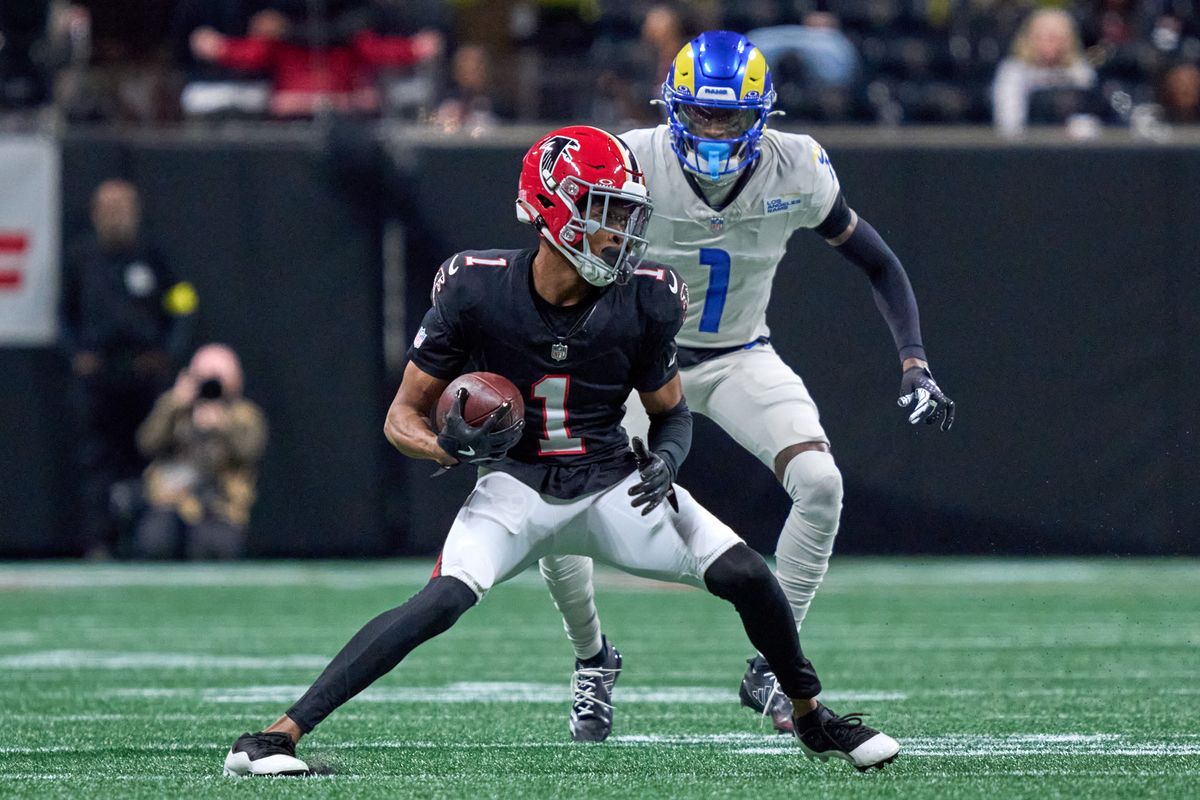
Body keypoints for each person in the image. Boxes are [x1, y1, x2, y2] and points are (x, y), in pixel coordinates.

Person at [221, 125, 899, 777]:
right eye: (608, 211)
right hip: (516, 486)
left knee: (748, 574)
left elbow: (671, 414)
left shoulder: (647, 298)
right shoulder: (476, 289)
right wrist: (445, 447)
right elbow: (401, 416)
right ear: (554, 210)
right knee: (441, 602)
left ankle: (811, 717)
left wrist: (667, 459)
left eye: (629, 213)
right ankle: (276, 735)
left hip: (612, 483)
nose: (624, 230)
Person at [537, 31, 955, 735]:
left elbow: (879, 263)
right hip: (633, 363)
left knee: (820, 485)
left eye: (728, 116)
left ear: (761, 116)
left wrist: (914, 360)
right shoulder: (629, 159)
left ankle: (773, 663)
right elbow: (560, 257)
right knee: (559, 512)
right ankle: (592, 659)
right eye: (699, 113)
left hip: (738, 354)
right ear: (672, 108)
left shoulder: (797, 167)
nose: (712, 130)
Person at [60, 179, 196, 558]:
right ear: (95, 213)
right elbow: (65, 311)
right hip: (99, 377)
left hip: (145, 374)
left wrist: (169, 349)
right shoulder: (81, 257)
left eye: (123, 207)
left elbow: (183, 301)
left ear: (136, 211)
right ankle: (98, 541)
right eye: (109, 208)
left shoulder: (154, 254)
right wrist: (77, 353)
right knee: (97, 461)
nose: (116, 216)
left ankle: (148, 541)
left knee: (152, 456)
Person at [135, 343, 267, 560]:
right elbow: (147, 444)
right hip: (172, 501)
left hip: (220, 507)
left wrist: (223, 427)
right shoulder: (175, 407)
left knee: (214, 546)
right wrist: (174, 405)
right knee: (156, 540)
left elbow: (249, 453)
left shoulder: (244, 416)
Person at [992, 8, 1097, 137]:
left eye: (1057, 37)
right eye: (1042, 36)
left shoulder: (1080, 70)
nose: (1050, 42)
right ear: (1029, 38)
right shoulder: (1013, 70)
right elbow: (1009, 121)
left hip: (1069, 144)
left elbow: (1088, 122)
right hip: (1029, 141)